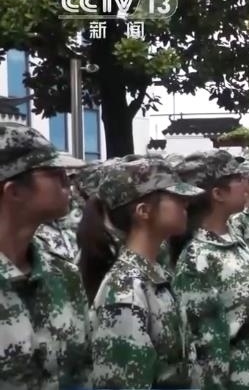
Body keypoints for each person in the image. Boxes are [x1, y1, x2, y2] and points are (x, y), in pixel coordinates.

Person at [79, 158, 202, 388]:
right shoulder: (126, 290)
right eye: (175, 196)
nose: (185, 203)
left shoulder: (152, 274)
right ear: (143, 211)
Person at [171, 150, 249, 390]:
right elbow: (206, 354)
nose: (245, 184)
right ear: (218, 194)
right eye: (237, 179)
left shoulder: (233, 238)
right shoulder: (197, 258)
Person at [0, 122, 90, 387]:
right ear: (14, 191)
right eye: (54, 174)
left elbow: (82, 372)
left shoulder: (64, 275)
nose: (68, 182)